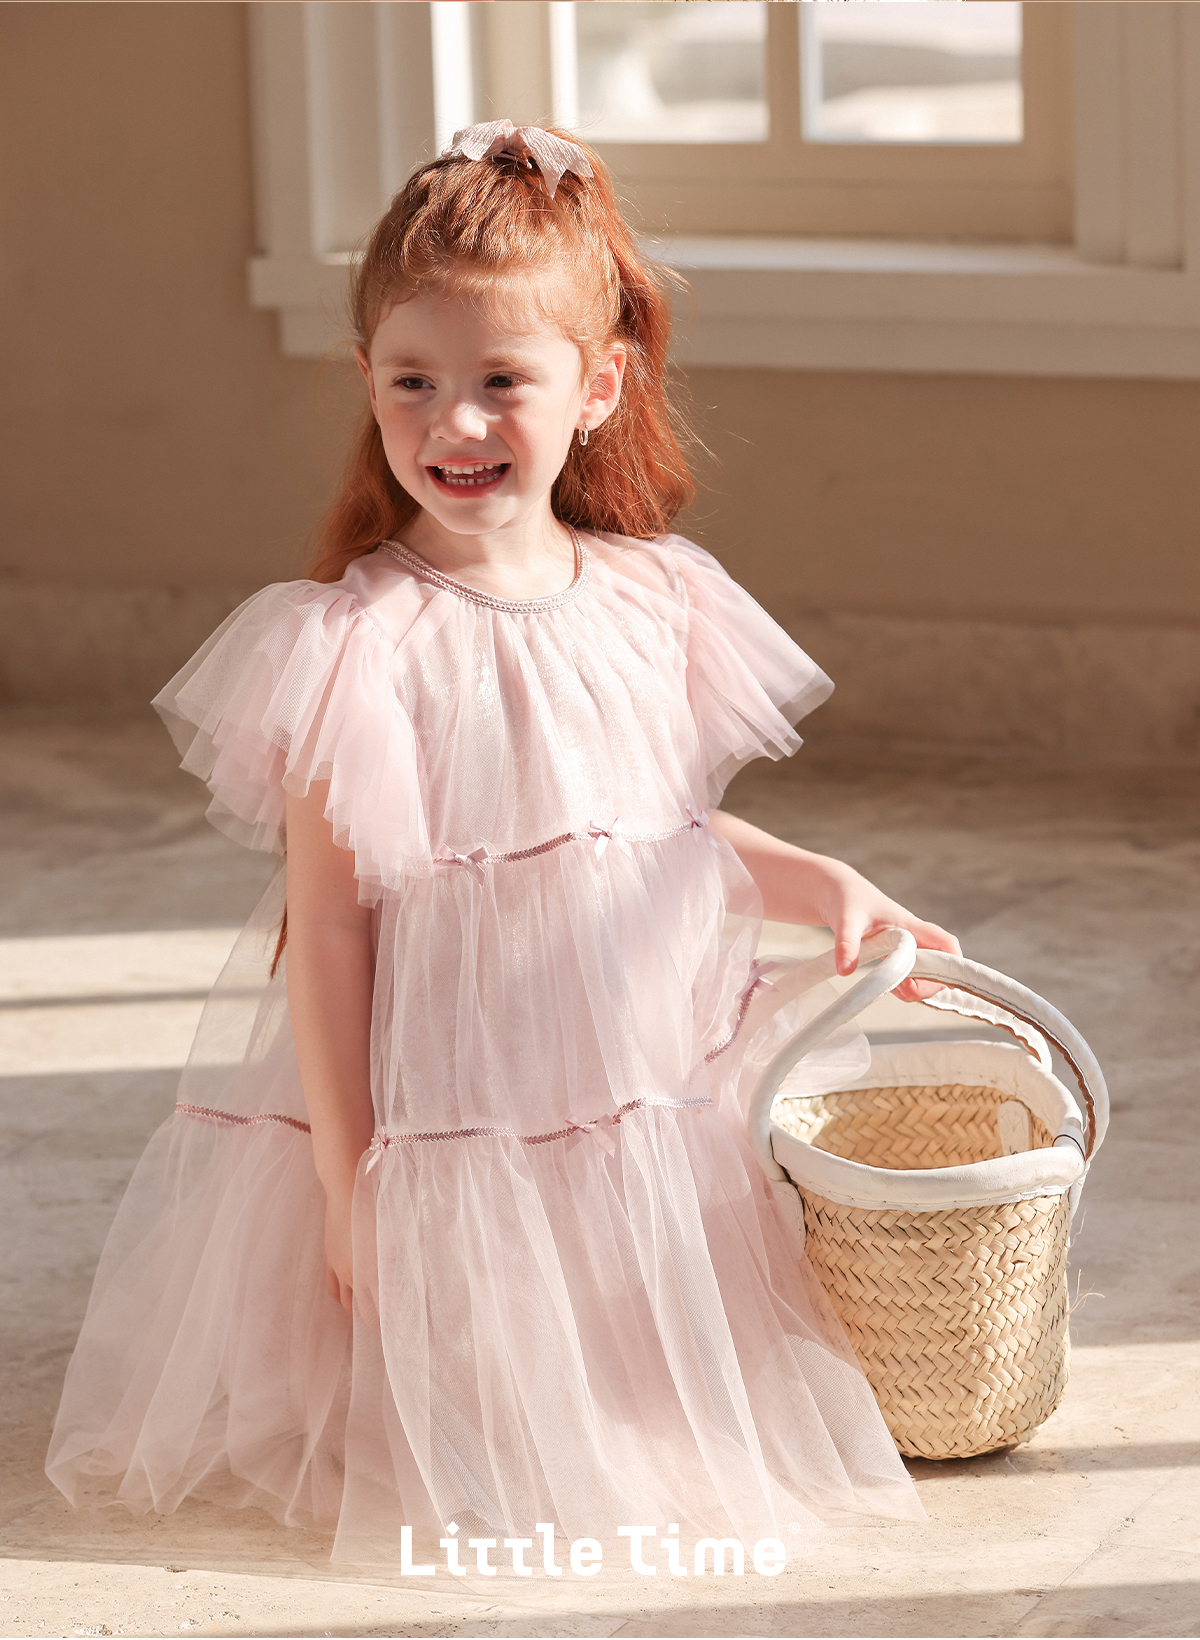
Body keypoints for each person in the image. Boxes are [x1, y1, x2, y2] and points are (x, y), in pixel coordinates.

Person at [47, 122, 958, 1562]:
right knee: (479, 1389)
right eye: (413, 381)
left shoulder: (654, 600)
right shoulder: (355, 645)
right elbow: (329, 921)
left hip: (608, 1056)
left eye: (500, 383)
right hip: (444, 1085)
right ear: (367, 380)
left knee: (625, 1332)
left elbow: (638, 828)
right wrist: (350, 1185)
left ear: (599, 387)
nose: (454, 425)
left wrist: (817, 878)